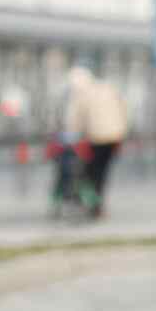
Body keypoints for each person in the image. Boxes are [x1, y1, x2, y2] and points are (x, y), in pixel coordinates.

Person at [63, 65, 129, 219]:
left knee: (91, 171)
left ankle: (92, 202)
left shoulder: (81, 94)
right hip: (115, 136)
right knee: (103, 171)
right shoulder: (107, 88)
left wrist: (71, 135)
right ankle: (98, 204)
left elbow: (74, 120)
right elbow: (123, 108)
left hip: (96, 138)